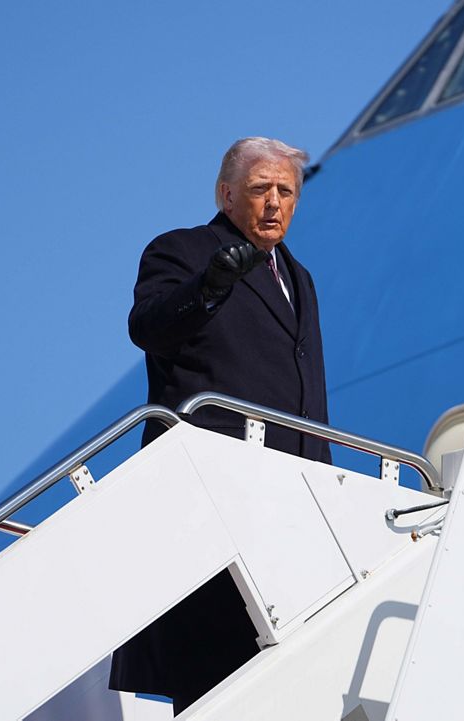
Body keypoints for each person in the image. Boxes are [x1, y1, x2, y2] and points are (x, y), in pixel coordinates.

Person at [109, 137, 330, 712]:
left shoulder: (299, 278)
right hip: (211, 488)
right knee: (215, 658)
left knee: (286, 665)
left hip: (292, 497)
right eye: (261, 189)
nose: (275, 202)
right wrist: (207, 287)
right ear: (226, 194)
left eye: (286, 191)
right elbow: (149, 327)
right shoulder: (181, 251)